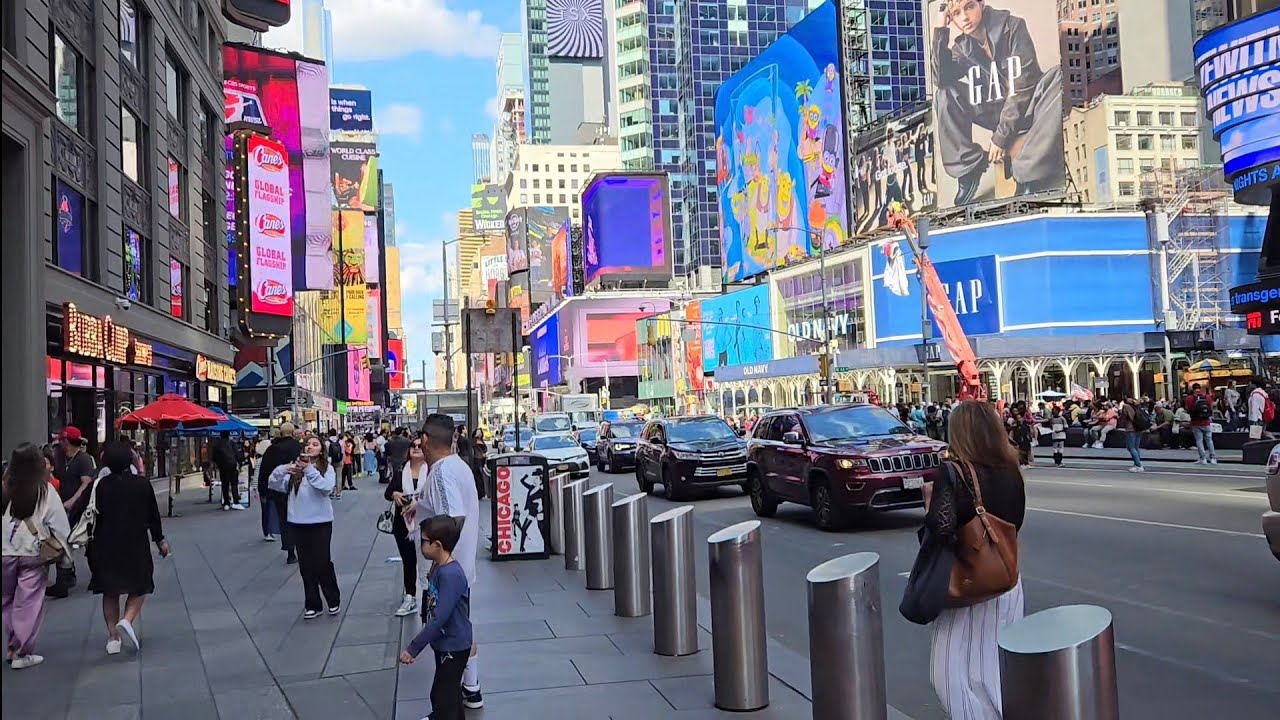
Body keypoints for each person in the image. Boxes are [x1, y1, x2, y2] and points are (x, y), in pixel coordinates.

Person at [924, 400, 1025, 718]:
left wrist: (929, 503)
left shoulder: (952, 472)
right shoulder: (1012, 471)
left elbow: (941, 531)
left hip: (965, 580)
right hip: (1005, 578)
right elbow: (1014, 523)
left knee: (948, 672)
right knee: (994, 670)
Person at [930, 0, 1064, 204]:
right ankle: (969, 168)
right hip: (995, 110)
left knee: (1060, 76)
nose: (964, 17)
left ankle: (1029, 176)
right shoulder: (963, 48)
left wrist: (1000, 136)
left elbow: (1023, 86)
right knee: (945, 92)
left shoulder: (1013, 27)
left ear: (981, 4)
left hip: (1032, 106)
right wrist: (940, 29)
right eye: (956, 13)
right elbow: (940, 79)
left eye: (969, 7)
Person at [405, 414, 484, 709]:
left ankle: (447, 708)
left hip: (448, 574)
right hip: (460, 569)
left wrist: (439, 561)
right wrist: (420, 504)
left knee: (447, 640)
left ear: (425, 439)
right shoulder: (454, 466)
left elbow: (454, 516)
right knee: (460, 629)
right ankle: (472, 688)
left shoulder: (440, 472)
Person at [86, 440, 169, 655]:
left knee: (110, 590)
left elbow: (94, 516)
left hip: (106, 543)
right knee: (140, 584)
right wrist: (160, 541)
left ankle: (113, 637)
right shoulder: (142, 484)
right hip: (135, 541)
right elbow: (153, 517)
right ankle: (127, 619)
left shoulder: (101, 486)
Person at [2, 444, 72, 668]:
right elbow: (59, 524)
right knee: (28, 602)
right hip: (32, 550)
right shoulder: (45, 489)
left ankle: (13, 645)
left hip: (5, 549)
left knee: (7, 601)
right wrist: (65, 554)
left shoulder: (6, 487)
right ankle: (21, 651)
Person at [399, 515, 474, 720]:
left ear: (437, 545)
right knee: (447, 694)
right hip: (445, 643)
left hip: (454, 645)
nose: (420, 544)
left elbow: (440, 617)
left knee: (443, 696)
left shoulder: (450, 575)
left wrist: (413, 648)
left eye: (423, 540)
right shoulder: (438, 566)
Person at [270, 433, 340, 619]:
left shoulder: (326, 469)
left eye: (315, 444)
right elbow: (275, 484)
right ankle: (312, 604)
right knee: (306, 566)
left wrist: (310, 470)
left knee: (322, 562)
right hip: (298, 523)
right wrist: (284, 469)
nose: (310, 447)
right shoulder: (295, 470)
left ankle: (333, 599)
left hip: (321, 522)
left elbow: (326, 488)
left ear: (321, 449)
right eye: (307, 444)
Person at [47, 426, 96, 598]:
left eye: (62, 440)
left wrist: (72, 501)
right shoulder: (59, 457)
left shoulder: (83, 460)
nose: (60, 442)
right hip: (62, 506)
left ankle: (96, 575)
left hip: (82, 507)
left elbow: (86, 483)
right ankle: (65, 578)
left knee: (87, 541)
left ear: (67, 441)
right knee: (63, 539)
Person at [386, 438, 429, 617]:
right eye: (414, 446)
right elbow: (388, 493)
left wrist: (418, 503)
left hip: (425, 523)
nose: (416, 448)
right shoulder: (401, 471)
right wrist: (395, 493)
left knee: (427, 561)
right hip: (403, 524)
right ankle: (410, 595)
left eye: (420, 446)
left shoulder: (432, 471)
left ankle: (428, 595)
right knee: (408, 560)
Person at [258, 423, 303, 561]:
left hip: (278, 490)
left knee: (284, 519)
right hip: (296, 488)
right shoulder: (298, 447)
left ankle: (290, 551)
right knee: (298, 519)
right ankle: (300, 548)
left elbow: (264, 471)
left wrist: (263, 490)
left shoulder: (272, 449)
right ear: (293, 432)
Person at [1183, 384, 1218, 464]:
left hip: (1195, 422)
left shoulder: (1189, 398)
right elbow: (1211, 408)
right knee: (1209, 440)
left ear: (1192, 389)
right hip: (1206, 422)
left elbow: (1187, 409)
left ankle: (1203, 459)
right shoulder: (1208, 397)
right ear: (1200, 388)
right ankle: (1213, 458)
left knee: (1199, 441)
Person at [211, 431, 242, 511]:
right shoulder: (231, 443)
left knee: (225, 484)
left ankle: (226, 503)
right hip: (232, 466)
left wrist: (218, 464)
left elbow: (214, 457)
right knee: (234, 484)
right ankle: (236, 502)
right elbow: (237, 454)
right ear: (228, 435)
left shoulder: (216, 444)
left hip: (222, 467)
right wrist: (240, 463)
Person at [1118, 397, 1145, 473]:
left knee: (1131, 447)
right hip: (1139, 428)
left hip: (1130, 428)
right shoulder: (1137, 406)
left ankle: (1138, 465)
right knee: (1136, 447)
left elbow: (1124, 416)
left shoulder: (1126, 406)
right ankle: (1136, 464)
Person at [470, 429, 489, 501]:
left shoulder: (482, 441)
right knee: (478, 476)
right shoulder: (474, 441)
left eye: (480, 433)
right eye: (478, 432)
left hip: (482, 459)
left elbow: (485, 449)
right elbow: (472, 445)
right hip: (477, 459)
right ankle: (480, 493)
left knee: (482, 476)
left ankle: (482, 493)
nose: (479, 434)